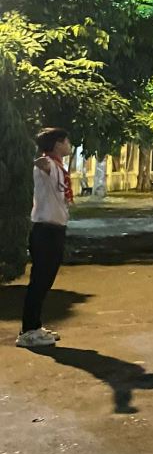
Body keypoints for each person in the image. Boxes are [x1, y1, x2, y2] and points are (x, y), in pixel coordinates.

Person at [18, 127, 73, 348]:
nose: (69, 145)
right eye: (66, 141)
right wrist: (38, 159)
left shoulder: (59, 167)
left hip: (56, 229)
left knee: (45, 281)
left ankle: (35, 326)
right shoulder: (47, 164)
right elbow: (40, 163)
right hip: (45, 231)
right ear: (57, 143)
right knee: (39, 282)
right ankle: (27, 332)